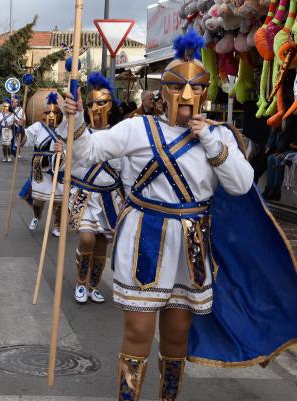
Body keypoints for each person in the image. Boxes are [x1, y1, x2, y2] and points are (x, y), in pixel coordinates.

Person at [55, 31, 297, 401]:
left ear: (206, 90)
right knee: (137, 331)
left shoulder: (219, 136)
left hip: (191, 244)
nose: (186, 97)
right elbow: (87, 151)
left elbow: (241, 183)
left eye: (196, 87)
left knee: (176, 334)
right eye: (178, 87)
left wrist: (211, 141)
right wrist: (73, 122)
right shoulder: (138, 128)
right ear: (165, 90)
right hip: (144, 239)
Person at [69, 72, 125, 305]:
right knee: (87, 239)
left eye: (102, 102)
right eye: (92, 103)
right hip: (85, 195)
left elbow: (128, 170)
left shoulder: (121, 133)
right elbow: (69, 132)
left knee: (102, 243)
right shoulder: (81, 130)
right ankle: (81, 283)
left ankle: (93, 285)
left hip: (110, 197)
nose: (96, 107)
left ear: (111, 105)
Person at [18, 92, 63, 237]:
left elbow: (73, 146)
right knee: (38, 198)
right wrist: (20, 129)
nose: (51, 115)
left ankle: (57, 224)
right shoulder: (37, 127)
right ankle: (37, 217)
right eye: (48, 112)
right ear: (44, 114)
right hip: (40, 168)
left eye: (54, 112)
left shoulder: (65, 128)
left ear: (59, 114)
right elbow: (25, 140)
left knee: (59, 199)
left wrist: (63, 151)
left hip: (59, 167)